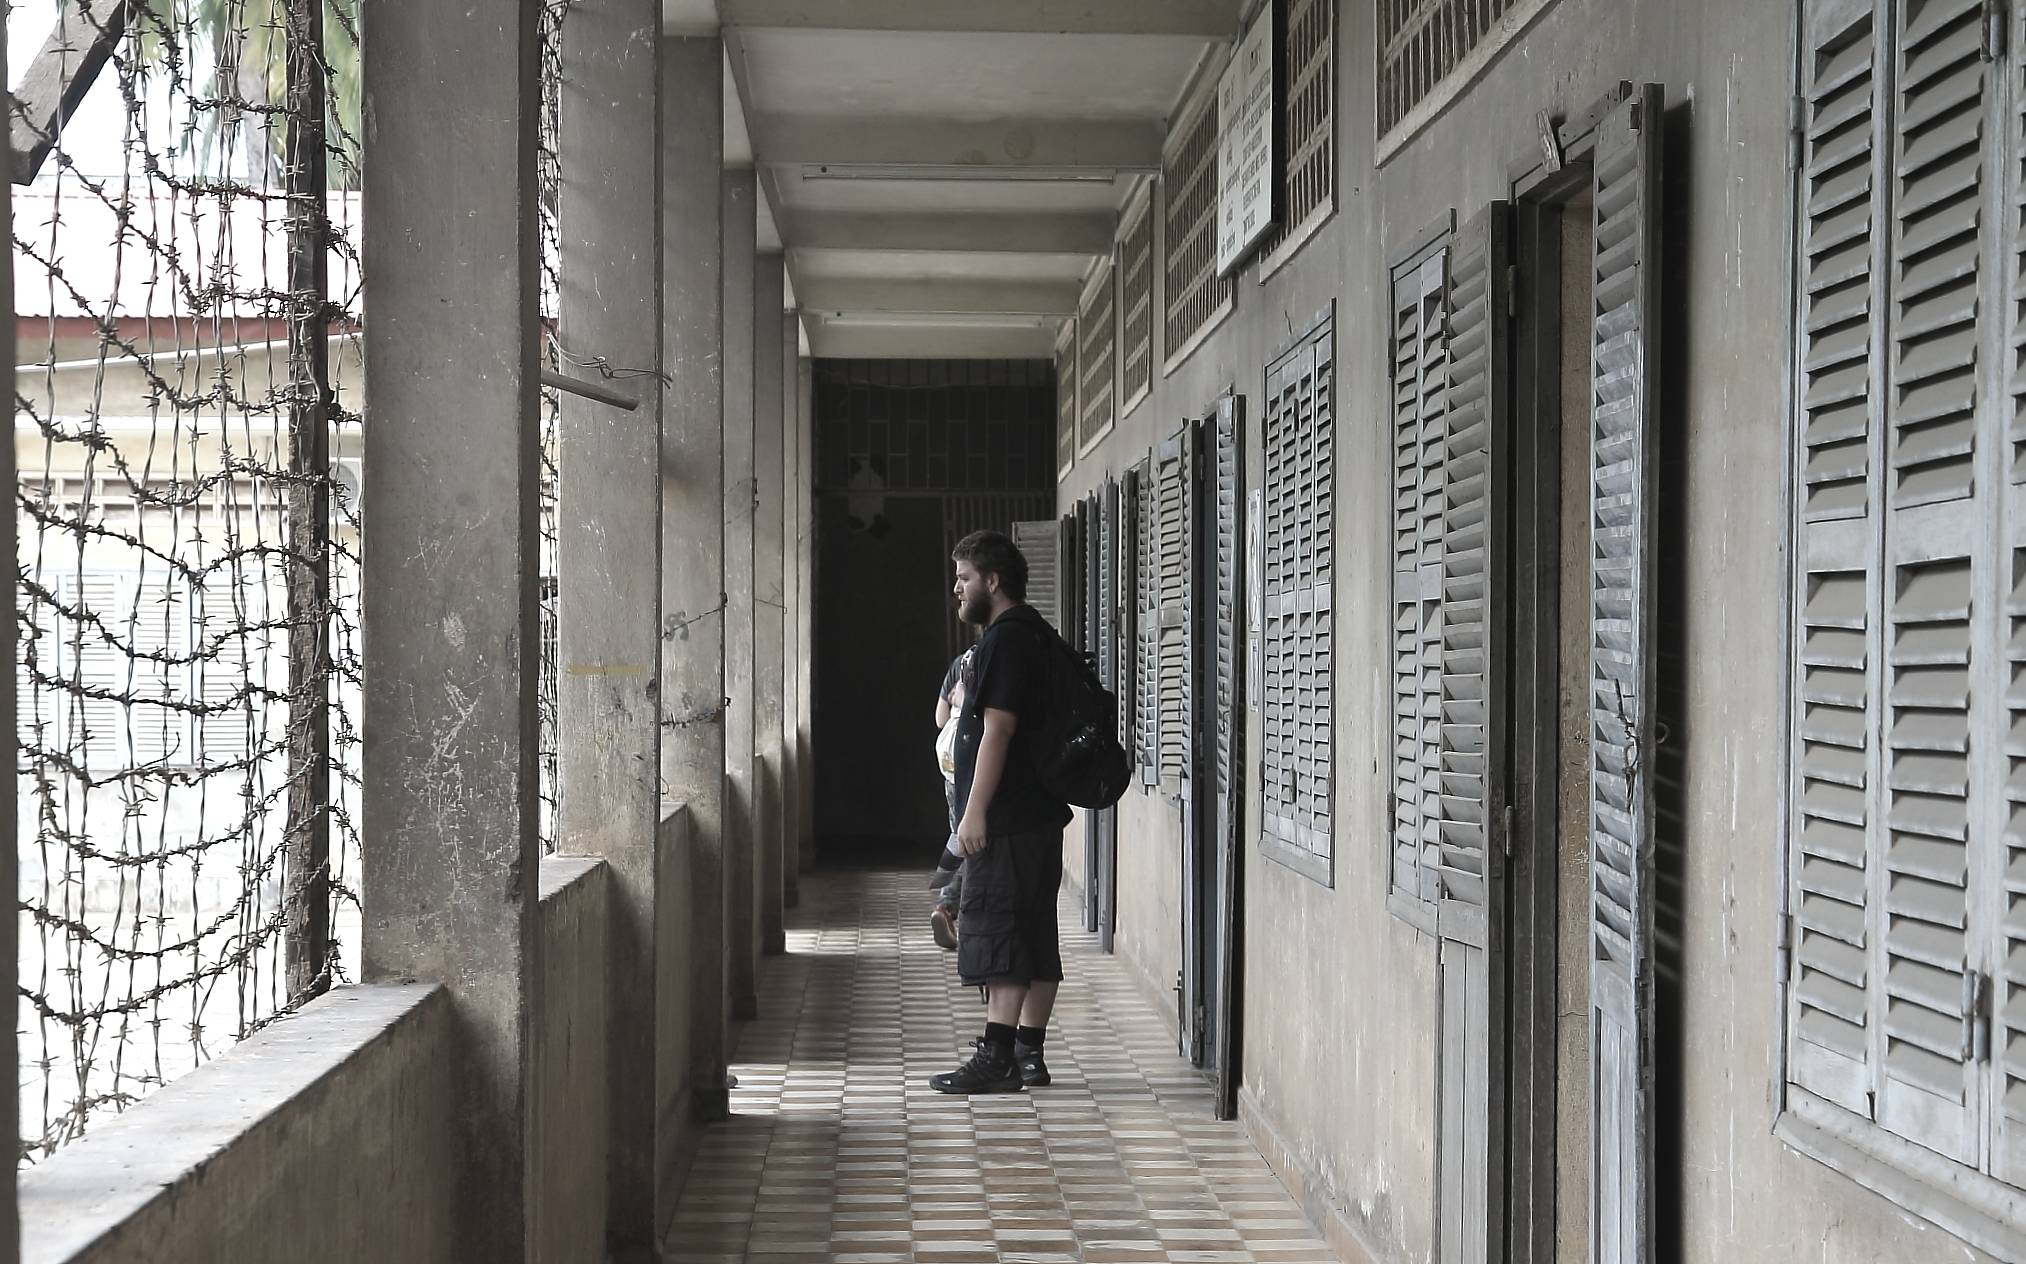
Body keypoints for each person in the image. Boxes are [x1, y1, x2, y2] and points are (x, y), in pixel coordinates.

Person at [930, 529, 1073, 1095]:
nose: (957, 590)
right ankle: (1026, 1052)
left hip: (1009, 818)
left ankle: (997, 1058)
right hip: (1035, 815)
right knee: (1033, 931)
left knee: (999, 929)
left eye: (964, 578)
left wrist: (974, 813)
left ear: (992, 581)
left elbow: (998, 731)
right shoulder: (1034, 633)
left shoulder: (1006, 641)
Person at [928, 644, 974, 950]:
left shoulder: (960, 663)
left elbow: (940, 719)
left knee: (960, 837)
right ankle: (948, 906)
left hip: (953, 772)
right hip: (983, 768)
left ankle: (949, 907)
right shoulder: (997, 661)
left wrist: (957, 701)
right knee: (970, 842)